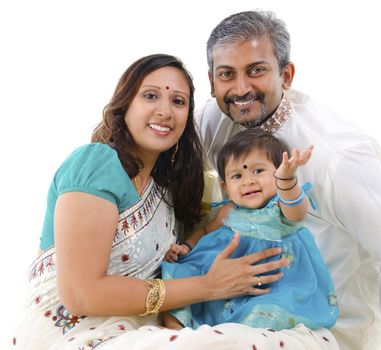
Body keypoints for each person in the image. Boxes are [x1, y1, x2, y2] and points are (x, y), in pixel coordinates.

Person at [13, 53, 328, 350]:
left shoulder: (168, 188)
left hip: (145, 327)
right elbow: (81, 294)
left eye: (178, 101)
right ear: (125, 105)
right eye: (150, 96)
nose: (164, 111)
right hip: (76, 332)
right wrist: (209, 286)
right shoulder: (95, 163)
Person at [195, 10, 381, 350]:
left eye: (256, 70)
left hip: (324, 329)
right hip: (237, 312)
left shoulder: (338, 158)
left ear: (286, 75)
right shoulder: (215, 119)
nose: (241, 88)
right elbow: (167, 164)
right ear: (212, 81)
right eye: (227, 75)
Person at [162, 129, 339, 342]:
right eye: (237, 176)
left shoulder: (281, 208)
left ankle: (245, 335)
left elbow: (298, 211)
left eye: (258, 171)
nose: (248, 181)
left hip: (272, 285)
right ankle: (175, 331)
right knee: (178, 275)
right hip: (223, 275)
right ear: (225, 187)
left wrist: (286, 180)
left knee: (265, 309)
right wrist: (187, 247)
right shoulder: (228, 210)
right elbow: (206, 230)